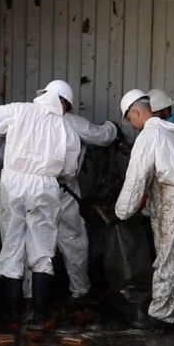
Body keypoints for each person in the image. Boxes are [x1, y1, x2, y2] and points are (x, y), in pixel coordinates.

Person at [0, 80, 80, 324]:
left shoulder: (18, 110)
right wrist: (55, 177)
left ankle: (13, 316)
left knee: (12, 245)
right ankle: (39, 315)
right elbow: (70, 170)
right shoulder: (65, 127)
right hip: (45, 185)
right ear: (64, 101)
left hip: (12, 181)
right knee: (43, 249)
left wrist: (8, 136)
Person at [115, 88, 174, 327]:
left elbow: (136, 178)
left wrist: (122, 211)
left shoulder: (149, 135)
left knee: (169, 257)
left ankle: (160, 314)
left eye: (131, 120)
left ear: (136, 112)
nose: (132, 125)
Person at [57, 112, 117, 300]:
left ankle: (29, 296)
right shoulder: (68, 119)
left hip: (29, 187)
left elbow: (4, 156)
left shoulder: (25, 117)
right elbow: (100, 135)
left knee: (32, 240)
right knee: (72, 236)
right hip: (63, 187)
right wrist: (112, 127)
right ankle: (80, 290)